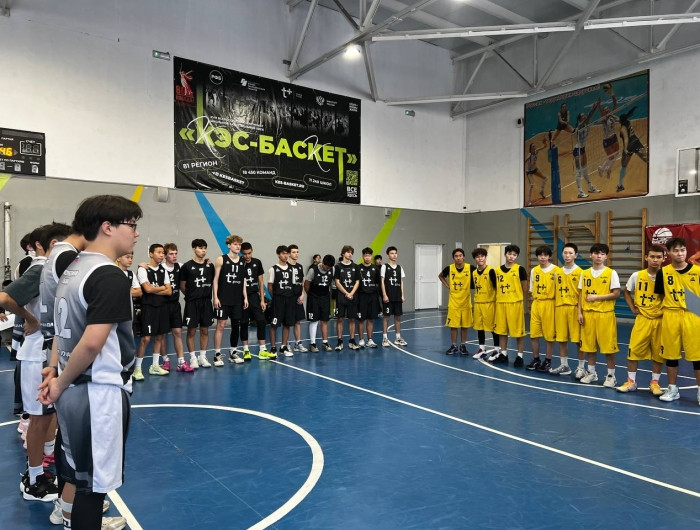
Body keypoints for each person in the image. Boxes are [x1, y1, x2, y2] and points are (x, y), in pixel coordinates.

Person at [38, 194, 141, 530]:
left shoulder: (73, 267)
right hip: (96, 392)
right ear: (107, 227)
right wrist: (60, 381)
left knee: (79, 475)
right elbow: (93, 341)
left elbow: (64, 326)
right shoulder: (109, 274)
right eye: (131, 225)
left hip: (74, 390)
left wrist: (54, 368)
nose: (136, 232)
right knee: (93, 489)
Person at [2, 223, 71, 503]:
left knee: (50, 415)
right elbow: (5, 297)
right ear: (53, 244)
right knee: (39, 419)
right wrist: (30, 318)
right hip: (36, 354)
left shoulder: (54, 269)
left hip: (50, 353)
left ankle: (42, 469)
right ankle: (33, 480)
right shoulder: (40, 268)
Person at [655, 238, 700, 403]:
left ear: (686, 251)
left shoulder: (697, 271)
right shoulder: (663, 272)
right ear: (669, 253)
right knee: (670, 355)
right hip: (671, 314)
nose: (680, 253)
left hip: (693, 313)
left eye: (682, 250)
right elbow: (661, 295)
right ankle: (673, 389)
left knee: (697, 356)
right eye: (675, 250)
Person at [616, 245, 665, 395]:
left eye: (658, 257)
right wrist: (632, 307)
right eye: (652, 256)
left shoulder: (667, 276)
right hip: (642, 318)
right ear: (646, 257)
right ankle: (631, 382)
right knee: (634, 350)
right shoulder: (637, 275)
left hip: (660, 319)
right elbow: (626, 291)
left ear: (664, 259)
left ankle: (655, 383)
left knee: (659, 353)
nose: (655, 260)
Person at [577, 243, 621, 386]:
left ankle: (611, 376)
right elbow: (580, 294)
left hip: (605, 314)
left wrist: (597, 297)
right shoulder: (584, 273)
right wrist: (579, 312)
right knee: (589, 347)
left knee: (609, 348)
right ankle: (592, 373)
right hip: (588, 314)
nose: (599, 256)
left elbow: (616, 294)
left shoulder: (611, 273)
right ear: (591, 255)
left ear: (606, 256)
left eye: (602, 254)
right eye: (596, 253)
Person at [134, 243, 172, 380]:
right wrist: (161, 288)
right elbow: (147, 289)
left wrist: (157, 289)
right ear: (151, 254)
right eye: (159, 252)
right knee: (146, 338)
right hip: (149, 307)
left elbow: (169, 291)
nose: (162, 255)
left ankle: (155, 366)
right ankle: (137, 369)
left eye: (163, 253)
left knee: (160, 337)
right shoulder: (143, 269)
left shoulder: (163, 271)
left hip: (162, 307)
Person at [488, 245, 527, 366]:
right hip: (501, 303)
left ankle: (519, 356)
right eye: (509, 254)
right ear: (505, 254)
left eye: (514, 255)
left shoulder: (520, 269)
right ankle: (503, 354)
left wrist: (519, 301)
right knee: (502, 331)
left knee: (518, 332)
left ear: (517, 256)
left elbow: (524, 288)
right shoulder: (497, 271)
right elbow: (496, 287)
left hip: (515, 304)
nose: (511, 256)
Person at [549, 243, 585, 377]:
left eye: (570, 253)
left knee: (578, 340)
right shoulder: (557, 272)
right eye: (565, 253)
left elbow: (582, 294)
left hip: (574, 308)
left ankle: (581, 368)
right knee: (562, 339)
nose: (567, 255)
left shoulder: (581, 272)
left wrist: (580, 311)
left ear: (576, 255)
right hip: (560, 308)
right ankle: (564, 365)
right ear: (562, 254)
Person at [179, 239, 215, 368]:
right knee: (191, 331)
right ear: (194, 249)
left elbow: (214, 281)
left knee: (205, 330)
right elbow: (182, 286)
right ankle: (193, 358)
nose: (203, 251)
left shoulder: (210, 265)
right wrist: (191, 295)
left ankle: (202, 357)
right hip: (192, 303)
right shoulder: (187, 266)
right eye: (200, 248)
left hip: (206, 302)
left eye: (205, 248)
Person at [213, 235, 248, 366]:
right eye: (235, 244)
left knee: (236, 325)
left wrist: (245, 297)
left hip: (237, 299)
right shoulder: (221, 259)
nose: (238, 246)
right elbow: (215, 280)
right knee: (221, 325)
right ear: (229, 245)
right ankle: (217, 355)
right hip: (223, 298)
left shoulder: (242, 261)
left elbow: (243, 280)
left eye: (239, 244)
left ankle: (233, 352)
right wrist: (215, 297)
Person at [162, 243, 194, 372]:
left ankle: (181, 362)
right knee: (162, 335)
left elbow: (194, 268)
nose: (174, 256)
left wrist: (206, 262)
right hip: (162, 305)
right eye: (171, 254)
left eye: (175, 253)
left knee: (178, 332)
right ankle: (165, 360)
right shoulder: (160, 268)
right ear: (165, 255)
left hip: (175, 304)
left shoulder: (180, 266)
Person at [240, 242, 274, 359]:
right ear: (241, 253)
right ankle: (246, 350)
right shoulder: (239, 263)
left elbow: (261, 281)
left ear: (252, 251)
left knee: (261, 321)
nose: (247, 256)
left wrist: (262, 300)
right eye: (244, 254)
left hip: (255, 296)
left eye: (249, 253)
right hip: (242, 297)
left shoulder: (257, 262)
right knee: (244, 323)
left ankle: (262, 350)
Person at [526, 245, 557, 372]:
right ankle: (536, 359)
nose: (543, 257)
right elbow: (532, 289)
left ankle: (548, 361)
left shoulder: (556, 270)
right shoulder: (534, 271)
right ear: (537, 256)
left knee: (549, 336)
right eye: (540, 255)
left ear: (549, 256)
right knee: (533, 335)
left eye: (545, 255)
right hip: (537, 303)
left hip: (550, 304)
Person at [438, 248, 472, 355]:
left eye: (460, 255)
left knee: (465, 325)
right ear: (453, 258)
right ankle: (454, 346)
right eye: (456, 256)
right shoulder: (449, 268)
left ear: (464, 257)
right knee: (454, 325)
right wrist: (448, 286)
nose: (458, 258)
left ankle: (463, 346)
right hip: (454, 301)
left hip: (466, 301)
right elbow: (440, 276)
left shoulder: (470, 268)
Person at [470, 248, 501, 360]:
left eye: (482, 256)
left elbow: (497, 288)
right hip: (478, 303)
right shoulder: (474, 273)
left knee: (493, 328)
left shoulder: (491, 271)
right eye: (478, 257)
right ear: (475, 259)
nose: (480, 259)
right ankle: (482, 349)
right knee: (479, 328)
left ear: (485, 257)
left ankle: (497, 350)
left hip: (489, 303)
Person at [304, 254, 336, 352]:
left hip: (325, 298)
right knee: (314, 321)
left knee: (325, 320)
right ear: (323, 263)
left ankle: (325, 343)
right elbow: (306, 284)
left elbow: (332, 284)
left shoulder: (332, 270)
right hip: (314, 297)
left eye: (329, 267)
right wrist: (311, 296)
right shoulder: (313, 270)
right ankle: (312, 344)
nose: (328, 269)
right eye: (327, 267)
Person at [268, 245, 295, 357]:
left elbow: (293, 284)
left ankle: (283, 347)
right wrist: (275, 297)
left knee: (287, 324)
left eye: (287, 253)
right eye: (283, 253)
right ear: (278, 254)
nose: (285, 256)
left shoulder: (292, 269)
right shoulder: (273, 269)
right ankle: (273, 348)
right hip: (278, 299)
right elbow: (270, 286)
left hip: (289, 299)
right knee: (274, 324)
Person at [571, 99, 602, 198]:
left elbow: (589, 116)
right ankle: (580, 192)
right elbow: (589, 116)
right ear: (580, 119)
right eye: (582, 116)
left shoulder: (586, 124)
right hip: (577, 150)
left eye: (584, 115)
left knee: (585, 170)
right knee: (578, 171)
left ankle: (590, 187)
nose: (584, 117)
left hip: (583, 149)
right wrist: (594, 107)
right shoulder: (580, 126)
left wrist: (595, 107)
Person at [616, 105, 648, 193]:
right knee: (647, 160)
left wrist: (625, 149)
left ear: (620, 121)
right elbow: (628, 115)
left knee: (623, 165)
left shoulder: (622, 128)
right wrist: (633, 108)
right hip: (636, 143)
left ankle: (620, 185)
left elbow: (626, 138)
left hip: (629, 146)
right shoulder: (627, 121)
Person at [334, 245, 360, 350]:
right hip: (341, 296)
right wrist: (346, 293)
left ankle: (352, 341)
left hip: (352, 296)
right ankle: (339, 342)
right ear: (343, 253)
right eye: (348, 252)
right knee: (340, 318)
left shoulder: (355, 266)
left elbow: (357, 281)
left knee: (352, 319)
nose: (350, 254)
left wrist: (351, 293)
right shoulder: (337, 267)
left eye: (351, 252)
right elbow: (337, 282)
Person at [381, 246, 407, 347]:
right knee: (386, 317)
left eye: (395, 253)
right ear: (388, 255)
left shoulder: (400, 267)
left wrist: (402, 295)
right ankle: (385, 338)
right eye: (392, 253)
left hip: (397, 296)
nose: (394, 255)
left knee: (398, 317)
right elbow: (382, 281)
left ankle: (398, 338)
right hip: (388, 296)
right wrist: (384, 294)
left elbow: (401, 282)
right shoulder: (384, 267)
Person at [357, 247, 380, 349]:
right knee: (361, 319)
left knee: (371, 319)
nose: (367, 257)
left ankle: (370, 339)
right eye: (365, 255)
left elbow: (378, 283)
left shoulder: (376, 268)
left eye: (369, 255)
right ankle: (361, 340)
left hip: (373, 296)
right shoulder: (358, 268)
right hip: (361, 296)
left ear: (371, 256)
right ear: (363, 256)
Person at [287, 244, 308, 353]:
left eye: (297, 252)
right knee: (287, 321)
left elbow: (301, 281)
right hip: (288, 297)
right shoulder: (285, 266)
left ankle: (298, 343)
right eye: (294, 252)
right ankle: (286, 344)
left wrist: (302, 294)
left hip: (297, 296)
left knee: (297, 321)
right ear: (289, 253)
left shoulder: (299, 266)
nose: (296, 254)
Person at [597, 85, 619, 180]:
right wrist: (599, 105)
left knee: (617, 154)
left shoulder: (611, 115)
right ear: (604, 112)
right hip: (607, 140)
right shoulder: (604, 119)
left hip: (614, 137)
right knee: (611, 157)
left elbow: (615, 104)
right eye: (605, 109)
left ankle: (605, 169)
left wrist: (612, 94)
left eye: (608, 109)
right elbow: (601, 112)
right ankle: (604, 169)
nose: (607, 109)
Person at [525, 140, 547, 206]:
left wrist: (544, 143)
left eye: (534, 146)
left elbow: (545, 146)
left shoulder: (536, 151)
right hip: (529, 171)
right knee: (531, 185)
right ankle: (529, 201)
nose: (534, 148)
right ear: (530, 149)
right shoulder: (529, 155)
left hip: (534, 169)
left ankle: (541, 191)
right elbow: (525, 161)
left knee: (545, 178)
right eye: (533, 147)